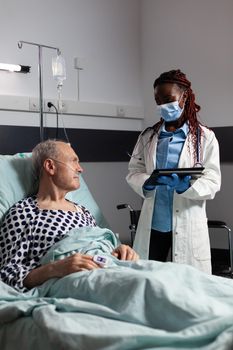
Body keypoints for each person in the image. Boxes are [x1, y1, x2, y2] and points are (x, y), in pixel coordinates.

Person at [0, 140, 139, 292]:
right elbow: (6, 276)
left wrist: (120, 250)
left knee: (164, 275)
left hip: (111, 270)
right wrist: (54, 269)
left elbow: (97, 245)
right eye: (74, 162)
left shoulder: (83, 211)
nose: (80, 169)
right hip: (79, 283)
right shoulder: (24, 213)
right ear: (50, 166)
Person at [126, 69, 221, 274]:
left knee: (188, 285)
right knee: (148, 279)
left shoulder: (205, 138)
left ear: (184, 96)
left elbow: (213, 180)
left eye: (168, 99)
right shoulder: (148, 137)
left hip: (187, 222)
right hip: (154, 223)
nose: (163, 106)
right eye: (158, 101)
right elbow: (134, 170)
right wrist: (146, 182)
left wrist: (186, 186)